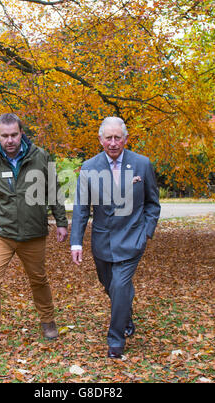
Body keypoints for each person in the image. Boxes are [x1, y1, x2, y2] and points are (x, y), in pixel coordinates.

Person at [0, 113, 68, 357]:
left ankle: (48, 320)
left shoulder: (41, 157)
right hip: (0, 233)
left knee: (38, 279)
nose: (10, 140)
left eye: (14, 135)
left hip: (33, 233)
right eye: (5, 136)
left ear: (21, 133)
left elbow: (54, 190)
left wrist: (61, 222)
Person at [70, 117, 160, 359]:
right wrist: (76, 242)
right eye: (108, 138)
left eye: (117, 137)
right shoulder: (89, 167)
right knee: (111, 286)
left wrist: (146, 231)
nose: (112, 142)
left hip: (132, 239)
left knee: (120, 285)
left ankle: (116, 340)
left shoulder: (142, 164)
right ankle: (125, 313)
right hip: (102, 241)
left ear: (125, 139)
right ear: (100, 140)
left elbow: (153, 203)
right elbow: (81, 207)